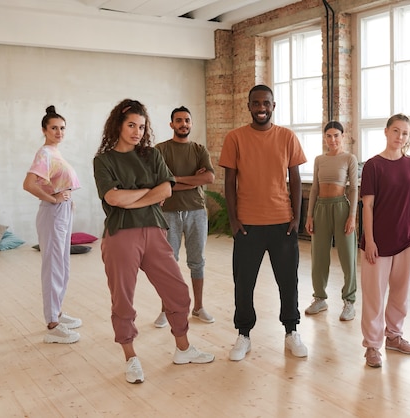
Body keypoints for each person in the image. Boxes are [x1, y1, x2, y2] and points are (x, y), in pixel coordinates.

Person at [93, 99, 214, 384]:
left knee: (178, 292)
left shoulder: (151, 155)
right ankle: (131, 357)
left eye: (142, 126)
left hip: (156, 231)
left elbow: (166, 190)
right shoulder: (104, 160)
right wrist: (148, 193)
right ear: (118, 126)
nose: (137, 131)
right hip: (121, 236)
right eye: (131, 125)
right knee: (123, 300)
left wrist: (134, 196)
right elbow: (113, 198)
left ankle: (183, 349)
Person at [219, 84, 308, 361]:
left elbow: (295, 179)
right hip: (247, 225)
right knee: (244, 284)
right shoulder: (235, 138)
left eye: (266, 103)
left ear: (273, 105)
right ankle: (243, 334)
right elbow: (229, 181)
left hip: (282, 223)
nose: (261, 108)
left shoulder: (287, 137)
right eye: (256, 103)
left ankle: (291, 331)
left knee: (288, 282)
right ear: (248, 106)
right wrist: (233, 220)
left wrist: (296, 217)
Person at [359, 114, 410, 368]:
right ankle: (372, 346)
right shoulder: (373, 166)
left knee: (401, 293)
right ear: (386, 132)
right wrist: (370, 240)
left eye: (405, 133)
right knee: (374, 296)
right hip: (379, 243)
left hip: (409, 240)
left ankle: (394, 336)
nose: (400, 137)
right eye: (396, 131)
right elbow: (367, 206)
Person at [23, 105, 82, 344]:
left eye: (62, 128)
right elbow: (29, 184)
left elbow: (56, 182)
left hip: (62, 211)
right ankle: (52, 324)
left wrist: (67, 201)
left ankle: (57, 311)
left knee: (63, 263)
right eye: (54, 128)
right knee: (53, 266)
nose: (59, 132)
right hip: (52, 213)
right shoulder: (45, 153)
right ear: (44, 130)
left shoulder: (55, 153)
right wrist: (54, 199)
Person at [153, 106, 215, 328]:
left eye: (187, 120)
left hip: (197, 212)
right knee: (168, 264)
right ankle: (166, 310)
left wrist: (174, 179)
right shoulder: (160, 150)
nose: (183, 124)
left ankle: (198, 308)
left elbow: (209, 177)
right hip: (168, 214)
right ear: (171, 124)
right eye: (179, 120)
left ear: (191, 123)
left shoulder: (199, 150)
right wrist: (190, 179)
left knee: (197, 262)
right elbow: (158, 183)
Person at [304, 121, 358, 321]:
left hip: (341, 208)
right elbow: (315, 189)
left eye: (336, 135)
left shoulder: (349, 158)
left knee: (347, 256)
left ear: (342, 136)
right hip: (321, 208)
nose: (332, 139)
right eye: (329, 136)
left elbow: (353, 189)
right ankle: (320, 298)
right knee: (318, 256)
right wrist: (309, 215)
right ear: (325, 138)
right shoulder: (319, 159)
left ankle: (349, 301)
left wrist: (352, 216)